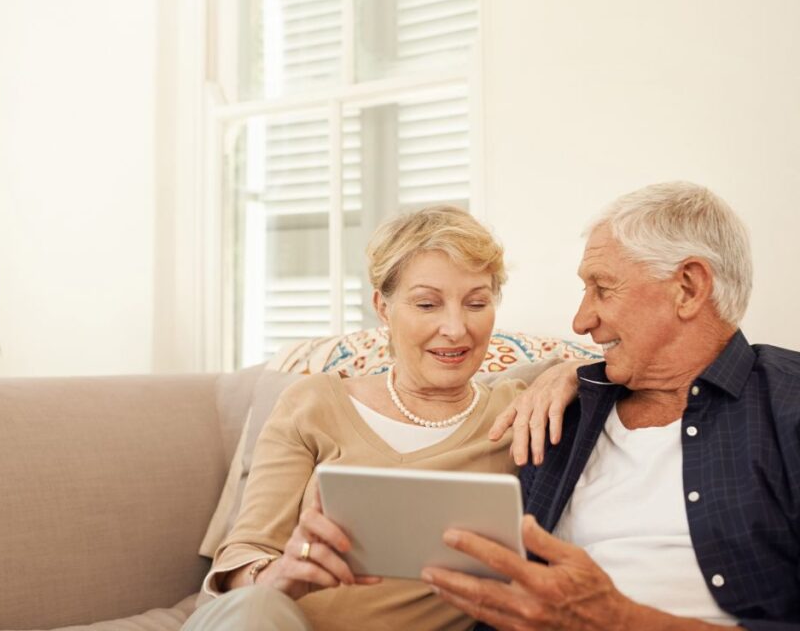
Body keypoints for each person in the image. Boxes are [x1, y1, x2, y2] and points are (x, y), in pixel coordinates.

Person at [183, 205, 581, 631]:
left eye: (477, 303)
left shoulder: (520, 412)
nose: (455, 328)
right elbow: (243, 556)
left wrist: (572, 372)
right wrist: (277, 577)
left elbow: (625, 364)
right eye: (427, 303)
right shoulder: (313, 402)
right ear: (383, 307)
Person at [422, 181, 800, 630]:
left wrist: (618, 620)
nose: (581, 321)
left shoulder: (786, 404)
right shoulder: (567, 407)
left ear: (688, 287)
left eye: (602, 288)